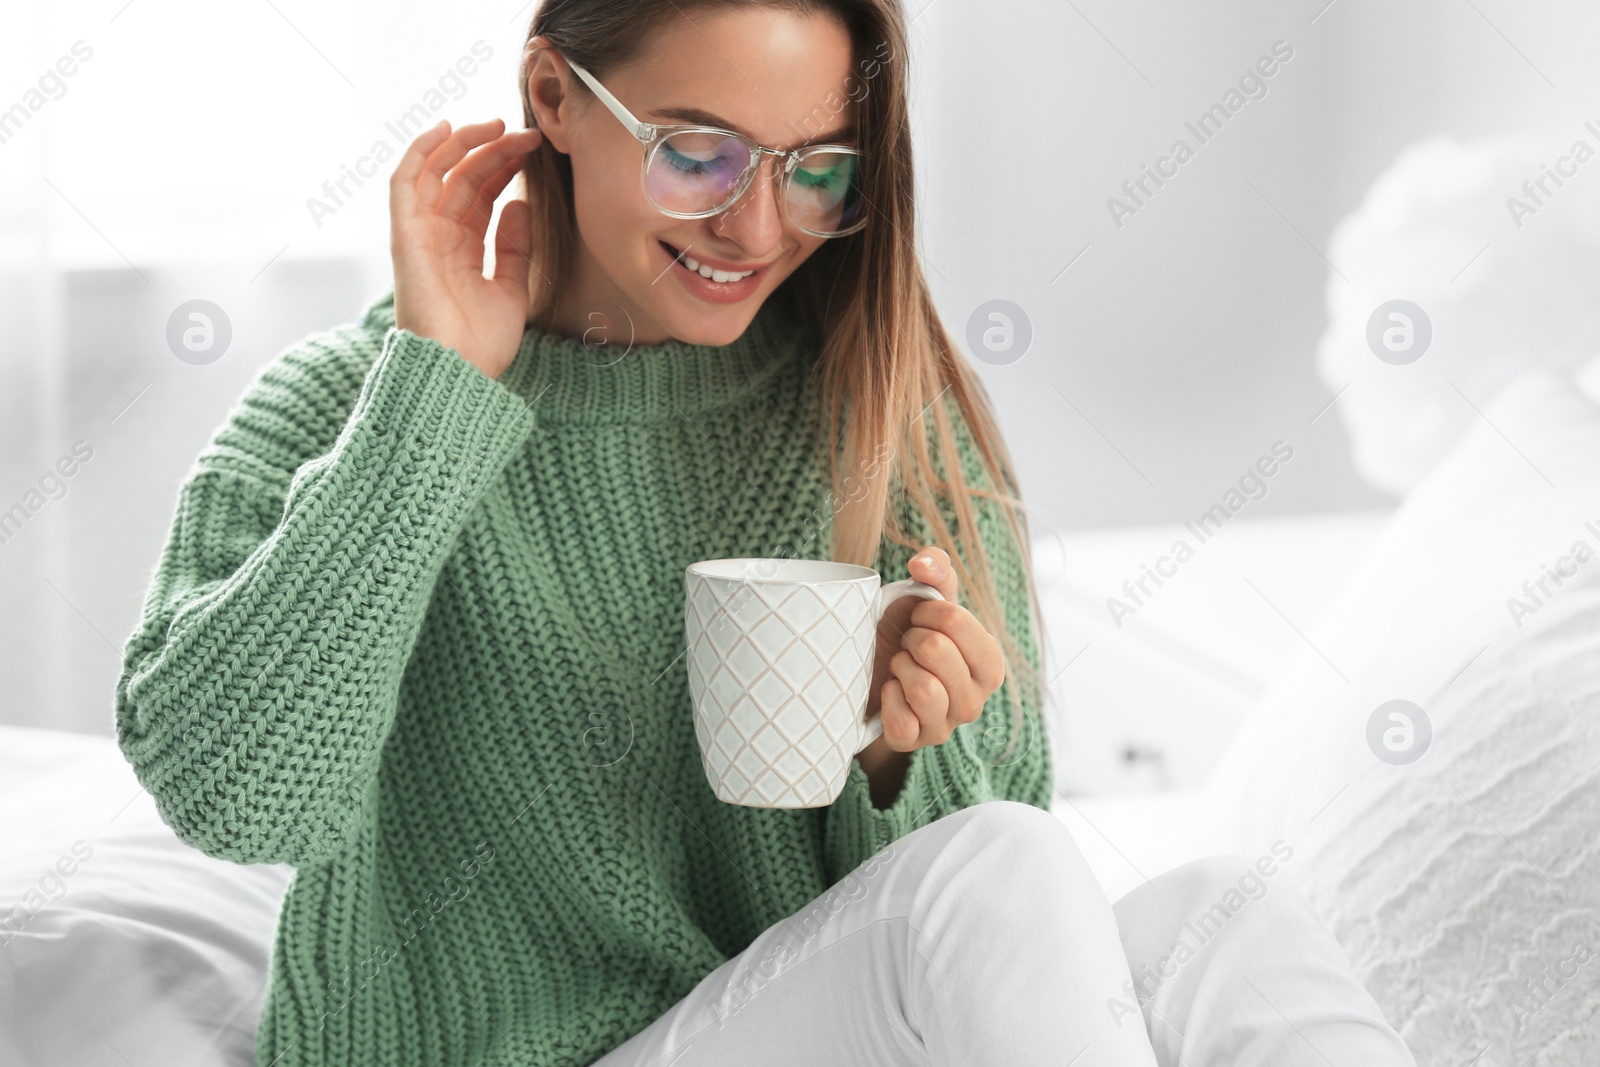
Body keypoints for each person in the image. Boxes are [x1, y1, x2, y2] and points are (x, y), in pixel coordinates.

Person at [112, 1, 1416, 1064]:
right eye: (698, 151)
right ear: (555, 99)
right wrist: (441, 391)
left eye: (818, 172)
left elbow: (989, 931)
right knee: (1010, 866)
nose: (756, 228)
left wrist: (909, 753)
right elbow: (232, 795)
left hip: (798, 1026)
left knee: (1228, 913)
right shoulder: (354, 407)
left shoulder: (875, 399)